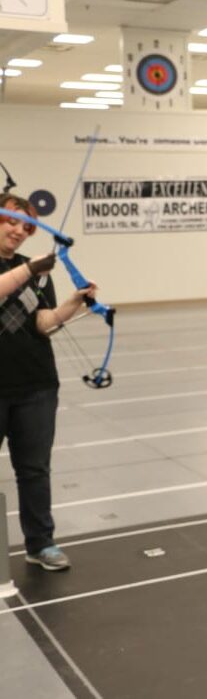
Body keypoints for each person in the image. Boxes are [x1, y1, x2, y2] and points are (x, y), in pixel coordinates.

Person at [0, 194, 98, 571]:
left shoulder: (34, 269)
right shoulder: (30, 270)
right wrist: (31, 271)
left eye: (27, 226)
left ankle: (40, 543)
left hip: (36, 385)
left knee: (35, 469)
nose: (20, 231)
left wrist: (75, 301)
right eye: (13, 221)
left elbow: (43, 322)